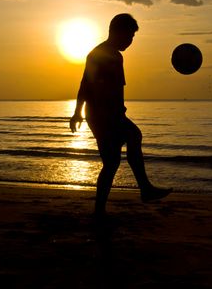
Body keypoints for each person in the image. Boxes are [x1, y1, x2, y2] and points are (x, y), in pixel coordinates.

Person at [70, 13, 172, 216]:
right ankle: (145, 189)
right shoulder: (103, 54)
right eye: (129, 36)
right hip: (104, 115)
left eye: (133, 37)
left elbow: (107, 88)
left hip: (106, 114)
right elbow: (86, 85)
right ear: (117, 32)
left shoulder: (110, 54)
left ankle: (100, 210)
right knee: (133, 137)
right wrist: (77, 112)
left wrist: (79, 113)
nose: (130, 41)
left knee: (111, 162)